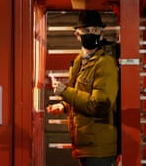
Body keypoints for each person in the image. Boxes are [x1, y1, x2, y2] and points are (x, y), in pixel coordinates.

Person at [46, 10, 119, 166]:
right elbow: (81, 96)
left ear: (101, 34)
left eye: (95, 30)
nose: (91, 34)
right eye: (86, 30)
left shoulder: (105, 63)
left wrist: (65, 92)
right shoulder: (78, 62)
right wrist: (63, 106)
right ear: (77, 34)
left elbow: (99, 104)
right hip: (85, 144)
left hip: (100, 146)